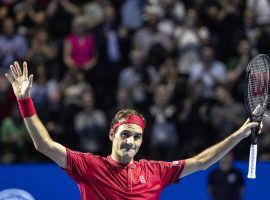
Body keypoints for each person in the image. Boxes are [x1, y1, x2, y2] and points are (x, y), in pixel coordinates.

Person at [5, 61, 262, 200]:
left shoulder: (155, 172)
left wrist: (239, 134)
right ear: (111, 135)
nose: (131, 141)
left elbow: (202, 162)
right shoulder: (88, 167)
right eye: (125, 134)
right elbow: (44, 144)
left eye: (137, 136)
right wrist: (24, 100)